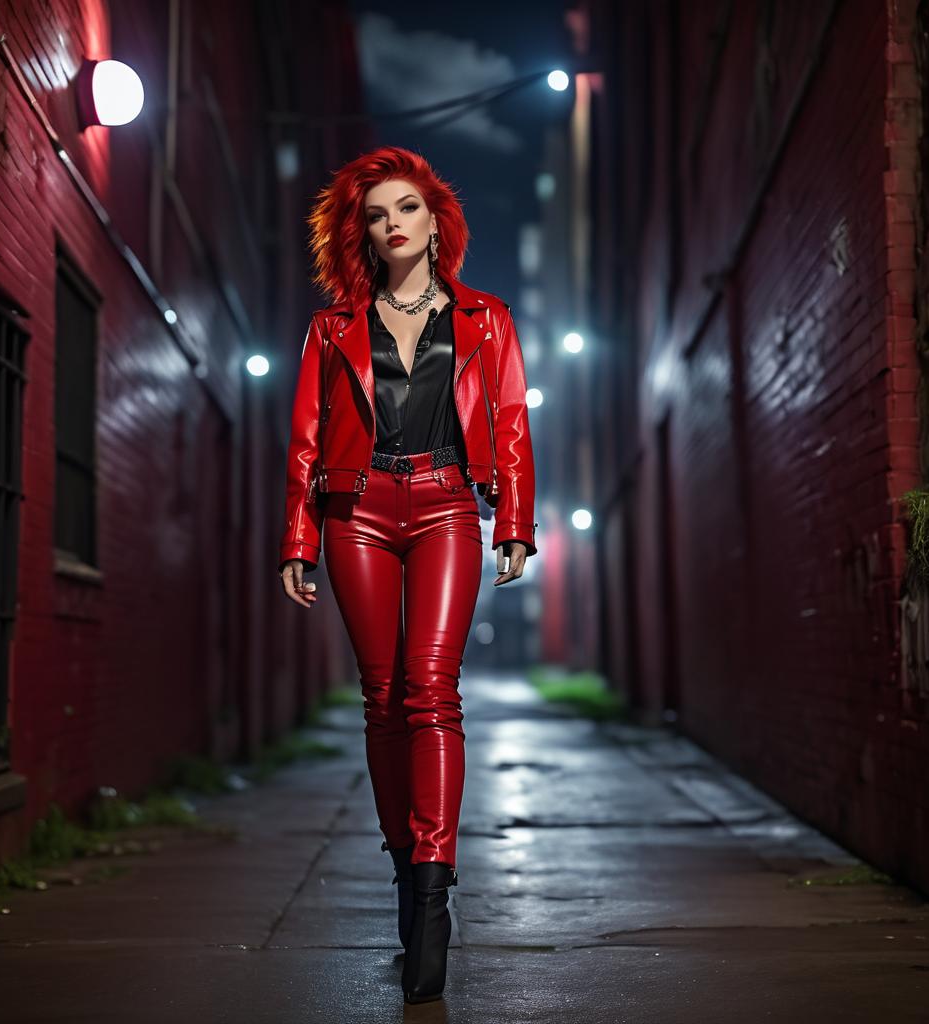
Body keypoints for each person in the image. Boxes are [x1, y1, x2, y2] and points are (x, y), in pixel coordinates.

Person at [277, 145, 538, 1004]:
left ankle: (432, 893)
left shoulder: (487, 319)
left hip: (445, 506)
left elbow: (507, 424)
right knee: (383, 693)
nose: (393, 224)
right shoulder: (331, 328)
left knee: (432, 687)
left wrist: (517, 524)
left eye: (408, 209)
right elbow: (307, 439)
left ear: (436, 222)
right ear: (365, 231)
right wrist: (298, 538)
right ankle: (403, 871)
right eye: (378, 214)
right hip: (355, 513)